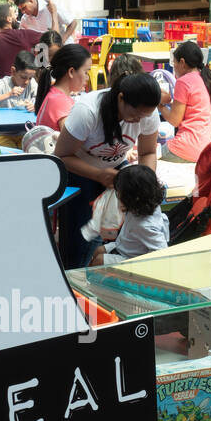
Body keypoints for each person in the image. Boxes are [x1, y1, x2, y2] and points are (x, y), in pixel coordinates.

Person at [52, 68, 162, 267]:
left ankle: (101, 273)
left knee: (121, 226)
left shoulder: (148, 114)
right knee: (84, 235)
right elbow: (61, 156)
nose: (139, 120)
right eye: (135, 114)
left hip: (115, 168)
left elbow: (147, 153)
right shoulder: (87, 112)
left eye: (145, 116)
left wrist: (145, 184)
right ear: (121, 98)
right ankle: (74, 279)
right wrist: (98, 175)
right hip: (79, 170)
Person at [88, 164, 169, 265]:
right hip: (124, 245)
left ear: (133, 198)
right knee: (98, 251)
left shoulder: (145, 226)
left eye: (119, 194)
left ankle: (90, 279)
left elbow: (162, 252)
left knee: (99, 260)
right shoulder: (147, 203)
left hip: (131, 258)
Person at [158, 42, 211, 163]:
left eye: (175, 63)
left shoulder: (183, 81)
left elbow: (174, 120)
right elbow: (192, 109)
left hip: (186, 148)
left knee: (149, 153)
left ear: (182, 63)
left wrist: (159, 105)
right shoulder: (206, 79)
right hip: (207, 149)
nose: (174, 67)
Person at [35, 43, 92, 131]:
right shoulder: (60, 101)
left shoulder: (54, 94)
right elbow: (71, 141)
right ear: (71, 72)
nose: (87, 78)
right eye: (86, 72)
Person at [0, 3, 41, 82]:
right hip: (27, 84)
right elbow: (52, 38)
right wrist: (53, 13)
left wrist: (1, 84)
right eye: (14, 13)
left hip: (5, 87)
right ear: (9, 19)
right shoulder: (25, 35)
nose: (16, 16)